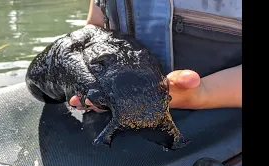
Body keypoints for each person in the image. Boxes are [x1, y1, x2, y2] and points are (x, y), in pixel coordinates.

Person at [70, 0, 242, 113]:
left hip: (219, 124)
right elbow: (95, 26)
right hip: (123, 119)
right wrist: (91, 75)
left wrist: (203, 93)